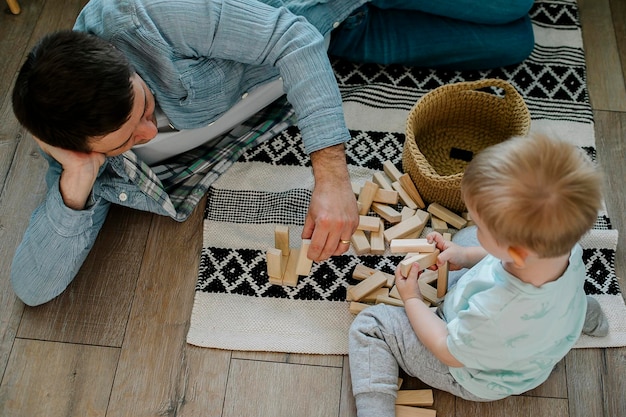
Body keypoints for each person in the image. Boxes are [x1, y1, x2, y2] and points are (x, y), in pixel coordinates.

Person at [10, 0, 535, 306]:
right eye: (124, 142)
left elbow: (294, 39)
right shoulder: (79, 148)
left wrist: (331, 176)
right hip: (342, 36)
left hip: (311, 15)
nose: (147, 135)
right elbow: (32, 288)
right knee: (516, 42)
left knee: (509, 4)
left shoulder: (147, 15)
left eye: (145, 108)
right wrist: (77, 176)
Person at [348, 134, 609, 414]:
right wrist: (466, 255)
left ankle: (375, 410)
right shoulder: (569, 250)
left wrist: (411, 299)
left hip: (473, 373)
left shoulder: (492, 312)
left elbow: (445, 348)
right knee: (469, 238)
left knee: (371, 325)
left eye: (484, 227)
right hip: (538, 337)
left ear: (516, 254)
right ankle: (582, 314)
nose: (478, 227)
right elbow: (504, 256)